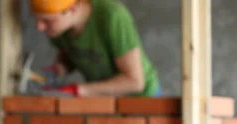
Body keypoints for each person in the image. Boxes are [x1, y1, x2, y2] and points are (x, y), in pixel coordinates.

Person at [31, 0, 162, 97]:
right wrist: (58, 70)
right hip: (106, 99)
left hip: (142, 99)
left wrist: (78, 91)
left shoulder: (112, 17)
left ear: (73, 9)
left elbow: (135, 82)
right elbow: (72, 54)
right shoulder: (56, 29)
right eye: (37, 19)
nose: (40, 27)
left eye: (47, 20)